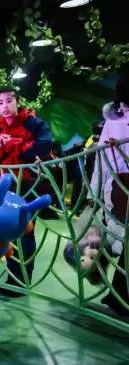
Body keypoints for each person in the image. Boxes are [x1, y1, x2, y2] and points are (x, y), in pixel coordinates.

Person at [0, 88, 53, 295]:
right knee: (5, 230)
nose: (4, 106)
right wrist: (0, 145)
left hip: (27, 182)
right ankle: (11, 277)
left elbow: (44, 146)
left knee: (25, 230)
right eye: (0, 102)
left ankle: (20, 280)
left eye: (9, 100)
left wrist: (18, 145)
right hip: (3, 185)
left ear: (18, 102)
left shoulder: (34, 123)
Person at [88, 70, 129, 316]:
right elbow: (101, 160)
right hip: (118, 190)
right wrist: (93, 194)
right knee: (122, 240)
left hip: (117, 189)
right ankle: (119, 296)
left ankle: (119, 295)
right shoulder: (114, 121)